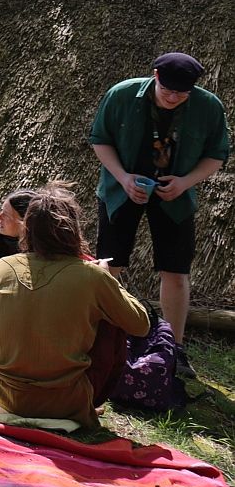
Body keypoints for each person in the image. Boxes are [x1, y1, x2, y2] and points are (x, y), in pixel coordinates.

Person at [0, 184, 151, 426]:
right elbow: (141, 325)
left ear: (27, 229)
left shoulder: (2, 267)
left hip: (6, 394)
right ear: (72, 231)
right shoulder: (93, 277)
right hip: (67, 401)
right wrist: (110, 281)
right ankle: (91, 402)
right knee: (112, 321)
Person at [89, 51, 228, 355]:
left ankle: (173, 349)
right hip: (120, 190)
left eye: (182, 93)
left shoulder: (208, 107)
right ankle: (103, 342)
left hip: (175, 195)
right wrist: (123, 178)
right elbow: (100, 139)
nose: (174, 97)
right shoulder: (122, 95)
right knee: (109, 266)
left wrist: (185, 183)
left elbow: (217, 154)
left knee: (176, 271)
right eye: (167, 90)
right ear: (155, 76)